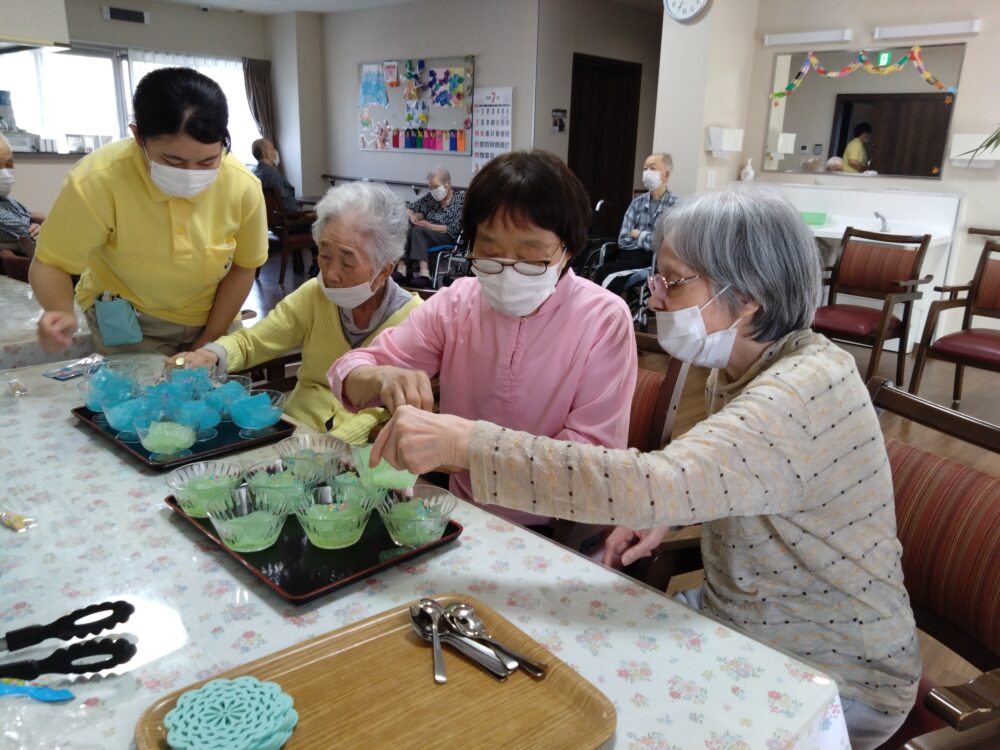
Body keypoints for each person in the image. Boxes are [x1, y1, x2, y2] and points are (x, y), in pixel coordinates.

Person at [370, 187, 920, 749]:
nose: (654, 300)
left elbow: (657, 481)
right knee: (553, 668)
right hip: (738, 620)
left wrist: (468, 445)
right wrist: (680, 510)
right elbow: (732, 476)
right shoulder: (748, 367)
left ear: (748, 296)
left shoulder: (801, 391)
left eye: (674, 281)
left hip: (831, 671)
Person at [330, 150, 637, 529]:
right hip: (458, 515)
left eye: (530, 258)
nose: (507, 271)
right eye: (489, 253)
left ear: (568, 250)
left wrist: (468, 447)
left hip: (556, 528)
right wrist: (380, 377)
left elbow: (592, 463)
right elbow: (349, 370)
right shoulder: (458, 302)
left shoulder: (603, 319)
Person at [30, 67, 267, 356]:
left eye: (207, 162)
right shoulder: (99, 180)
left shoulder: (242, 186)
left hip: (214, 317)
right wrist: (59, 309)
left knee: (209, 399)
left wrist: (208, 341)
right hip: (129, 320)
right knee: (138, 398)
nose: (191, 174)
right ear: (138, 136)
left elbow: (244, 267)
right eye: (173, 161)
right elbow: (50, 263)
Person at [175, 181, 421, 439]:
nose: (330, 275)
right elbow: (254, 342)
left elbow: (404, 411)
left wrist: (335, 443)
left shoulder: (416, 321)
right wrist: (212, 355)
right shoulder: (315, 295)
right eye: (324, 255)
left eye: (347, 263)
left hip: (363, 453)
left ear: (384, 270)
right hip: (294, 432)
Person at [594, 152, 679, 294]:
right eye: (645, 169)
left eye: (652, 168)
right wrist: (649, 240)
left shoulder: (675, 207)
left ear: (666, 174)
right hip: (628, 256)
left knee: (607, 274)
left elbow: (664, 246)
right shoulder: (636, 204)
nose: (647, 173)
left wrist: (638, 235)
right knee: (603, 271)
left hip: (652, 262)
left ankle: (604, 314)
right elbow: (623, 240)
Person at [399, 166, 464, 287]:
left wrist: (429, 226)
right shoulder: (431, 198)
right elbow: (409, 208)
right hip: (427, 234)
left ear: (447, 184)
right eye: (430, 188)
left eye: (435, 187)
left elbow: (453, 229)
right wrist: (412, 215)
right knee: (408, 225)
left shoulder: (461, 200)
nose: (433, 191)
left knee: (418, 231)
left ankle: (424, 274)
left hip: (447, 236)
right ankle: (402, 268)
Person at [0, 133, 45, 281]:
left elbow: (29, 215)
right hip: (41, 271)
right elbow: (32, 237)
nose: (6, 172)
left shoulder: (7, 201)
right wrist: (46, 226)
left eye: (9, 164)